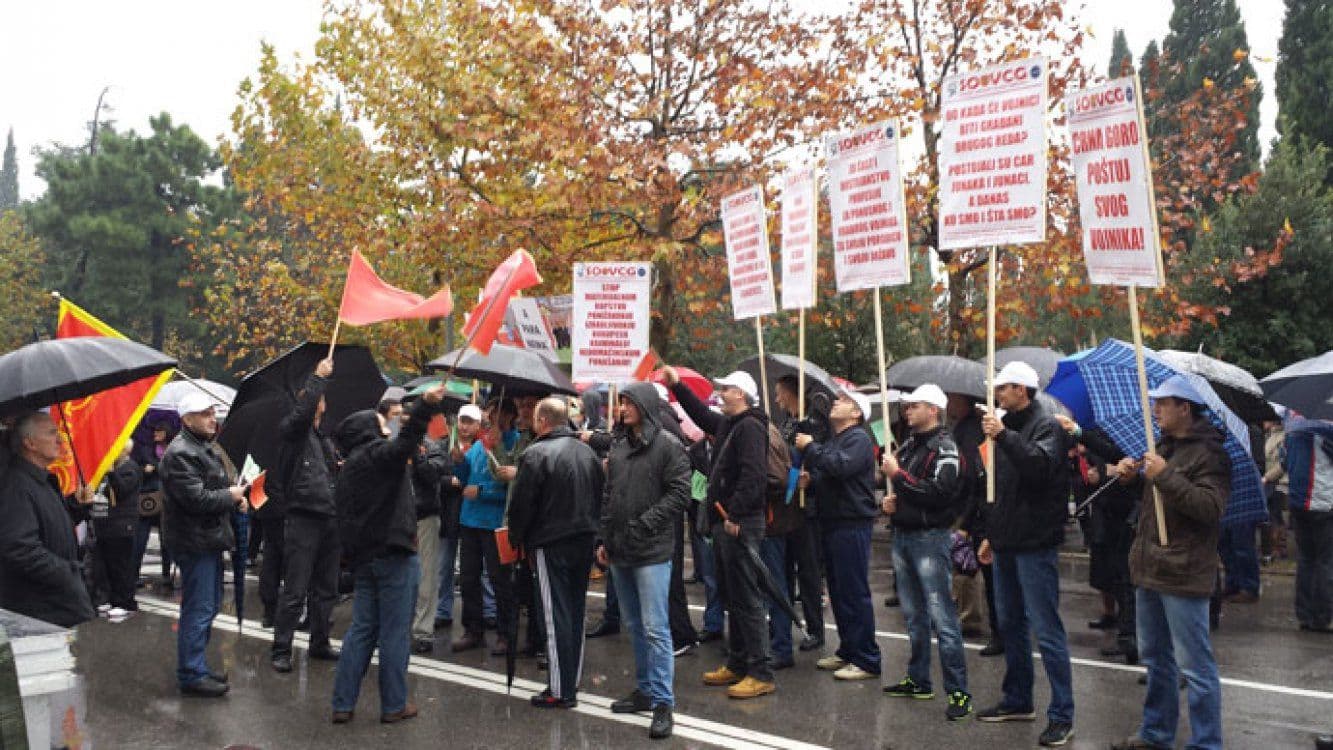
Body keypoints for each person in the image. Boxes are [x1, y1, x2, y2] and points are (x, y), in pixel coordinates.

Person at [1110, 376, 1230, 750]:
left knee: (1194, 666)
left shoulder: (1211, 454)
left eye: (1163, 403)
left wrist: (1165, 475)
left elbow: (1209, 509)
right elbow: (1156, 504)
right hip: (1150, 568)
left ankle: (1206, 743)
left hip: (1184, 571)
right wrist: (1132, 478)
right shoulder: (1164, 446)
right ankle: (1156, 732)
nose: (1155, 410)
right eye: (1155, 403)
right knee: (1155, 658)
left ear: (1185, 408)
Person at [330, 381, 446, 725]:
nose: (387, 425)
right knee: (395, 633)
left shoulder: (349, 467)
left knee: (362, 630)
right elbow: (405, 444)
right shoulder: (376, 455)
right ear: (368, 431)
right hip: (394, 556)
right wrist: (424, 406)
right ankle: (394, 704)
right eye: (381, 422)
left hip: (366, 560)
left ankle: (342, 703)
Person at [977, 361, 1074, 747]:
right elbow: (1001, 489)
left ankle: (1062, 714)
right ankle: (1017, 699)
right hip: (1007, 542)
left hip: (1036, 543)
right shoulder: (1005, 428)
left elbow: (1038, 469)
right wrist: (991, 533)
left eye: (1003, 389)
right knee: (1010, 624)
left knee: (1047, 630)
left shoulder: (1048, 426)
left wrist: (1004, 436)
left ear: (1023, 390)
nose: (997, 396)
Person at [666, 366, 776, 700]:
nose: (719, 395)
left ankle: (761, 672)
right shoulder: (732, 424)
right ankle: (738, 662)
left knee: (747, 599)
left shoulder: (752, 427)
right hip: (726, 521)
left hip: (739, 522)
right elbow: (701, 416)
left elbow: (754, 476)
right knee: (732, 597)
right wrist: (678, 386)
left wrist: (738, 514)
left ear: (740, 394)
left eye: (725, 389)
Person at [597, 383, 690, 738]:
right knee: (635, 626)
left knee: (655, 628)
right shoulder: (619, 446)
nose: (623, 407)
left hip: (651, 550)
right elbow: (610, 495)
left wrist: (645, 523)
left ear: (646, 405)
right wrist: (604, 539)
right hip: (621, 549)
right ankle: (645, 689)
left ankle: (663, 703)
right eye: (621, 401)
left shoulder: (667, 445)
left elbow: (680, 493)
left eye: (629, 401)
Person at [877, 384, 972, 720]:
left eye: (914, 406)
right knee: (913, 615)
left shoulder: (945, 447)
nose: (908, 411)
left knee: (942, 616)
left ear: (933, 409)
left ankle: (959, 692)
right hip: (903, 535)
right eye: (908, 406)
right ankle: (918, 679)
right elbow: (906, 489)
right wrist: (891, 501)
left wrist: (898, 477)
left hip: (930, 539)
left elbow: (939, 492)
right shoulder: (908, 445)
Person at [507, 397, 604, 710]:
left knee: (554, 614)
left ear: (542, 421)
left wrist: (516, 538)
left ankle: (561, 689)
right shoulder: (588, 452)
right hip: (584, 539)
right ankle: (569, 681)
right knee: (574, 612)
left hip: (551, 542)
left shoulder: (535, 453)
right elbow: (599, 496)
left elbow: (522, 505)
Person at [161, 393, 249, 698]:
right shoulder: (181, 453)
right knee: (199, 608)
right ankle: (191, 673)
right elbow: (197, 499)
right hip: (194, 542)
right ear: (187, 419)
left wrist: (234, 498)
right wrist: (231, 496)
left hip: (206, 539)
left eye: (213, 412)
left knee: (207, 605)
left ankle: (196, 665)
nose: (213, 419)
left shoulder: (201, 447)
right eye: (205, 414)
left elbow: (212, 490)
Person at [795, 389, 880, 683]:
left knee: (854, 592)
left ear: (856, 413)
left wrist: (810, 448)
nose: (835, 402)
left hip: (852, 523)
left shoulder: (859, 439)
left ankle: (867, 658)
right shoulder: (836, 439)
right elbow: (829, 473)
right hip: (832, 522)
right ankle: (848, 649)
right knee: (839, 591)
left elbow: (842, 467)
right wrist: (811, 480)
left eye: (844, 401)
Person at [270, 358, 343, 673]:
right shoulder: (293, 431)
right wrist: (318, 377)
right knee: (296, 587)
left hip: (329, 518)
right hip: (303, 517)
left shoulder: (323, 440)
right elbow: (301, 415)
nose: (321, 401)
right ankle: (281, 648)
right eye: (315, 396)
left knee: (326, 587)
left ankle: (320, 641)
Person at [0, 410, 97, 627]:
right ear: (30, 443)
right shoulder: (16, 485)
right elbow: (20, 548)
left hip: (58, 603)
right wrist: (68, 573)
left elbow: (49, 527)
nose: (60, 439)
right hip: (44, 611)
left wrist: (76, 506)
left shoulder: (40, 480)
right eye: (52, 433)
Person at [452, 399, 519, 655]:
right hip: (469, 521)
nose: (490, 417)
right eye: (489, 413)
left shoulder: (512, 442)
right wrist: (459, 460)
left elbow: (510, 489)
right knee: (468, 578)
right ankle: (473, 630)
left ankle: (505, 633)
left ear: (507, 416)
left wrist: (481, 491)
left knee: (500, 580)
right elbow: (464, 476)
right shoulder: (480, 443)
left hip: (494, 524)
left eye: (495, 413)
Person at [773, 375, 826, 652]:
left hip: (808, 509)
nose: (777, 399)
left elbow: (823, 463)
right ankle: (783, 628)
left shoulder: (814, 426)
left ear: (793, 393)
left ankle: (816, 630)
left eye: (780, 393)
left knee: (808, 572)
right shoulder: (785, 425)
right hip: (786, 505)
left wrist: (811, 479)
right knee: (783, 571)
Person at [408, 404, 450, 655]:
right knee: (399, 575)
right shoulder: (393, 445)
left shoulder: (433, 447)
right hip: (399, 518)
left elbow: (431, 475)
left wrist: (417, 455)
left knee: (427, 577)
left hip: (425, 515)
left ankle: (423, 630)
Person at [1285, 418, 1333, 633]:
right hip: (1322, 501)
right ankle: (1321, 616)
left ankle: (1304, 613)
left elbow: (1284, 461)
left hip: (1297, 500)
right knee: (1324, 561)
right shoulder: (1327, 429)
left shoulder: (1294, 425)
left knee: (1306, 559)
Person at [436, 406, 481, 629]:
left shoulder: (484, 448)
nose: (464, 426)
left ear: (478, 425)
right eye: (462, 421)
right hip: (448, 514)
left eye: (470, 422)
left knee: (475, 569)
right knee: (444, 566)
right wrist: (448, 481)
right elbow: (432, 474)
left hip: (474, 515)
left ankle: (486, 611)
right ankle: (443, 610)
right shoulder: (443, 445)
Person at [97, 439, 143, 619]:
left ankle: (126, 602)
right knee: (108, 564)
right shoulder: (115, 468)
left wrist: (112, 474)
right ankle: (112, 598)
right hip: (109, 523)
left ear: (124, 451)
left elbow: (122, 491)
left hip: (123, 524)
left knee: (122, 565)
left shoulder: (130, 468)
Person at [132, 420, 175, 592]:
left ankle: (166, 574)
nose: (155, 434)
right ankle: (134, 575)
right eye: (154, 431)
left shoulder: (173, 450)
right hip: (148, 499)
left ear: (166, 433)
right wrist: (145, 469)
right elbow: (139, 468)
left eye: (159, 431)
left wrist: (155, 467)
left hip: (166, 500)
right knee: (140, 539)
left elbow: (171, 469)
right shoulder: (146, 449)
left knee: (166, 540)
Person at [1262, 419, 1289, 564]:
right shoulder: (1269, 436)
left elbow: (1282, 463)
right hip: (1271, 482)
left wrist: (1267, 477)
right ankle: (1276, 548)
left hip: (1280, 482)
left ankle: (1279, 548)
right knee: (1273, 514)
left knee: (1276, 514)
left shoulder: (1283, 437)